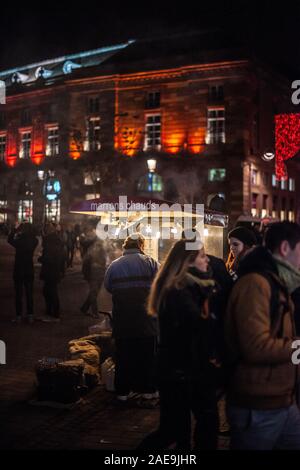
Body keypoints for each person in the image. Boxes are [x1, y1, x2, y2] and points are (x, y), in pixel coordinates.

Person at [225, 221, 300, 450]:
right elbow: (256, 347)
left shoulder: (279, 281)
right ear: (285, 248)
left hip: (283, 401)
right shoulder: (256, 284)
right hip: (257, 407)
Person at [139, 238, 220, 451]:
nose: (207, 260)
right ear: (188, 261)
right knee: (175, 431)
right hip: (180, 371)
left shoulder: (193, 286)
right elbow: (199, 326)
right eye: (203, 256)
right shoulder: (179, 291)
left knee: (189, 427)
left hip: (187, 369)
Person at [104, 233, 159, 406]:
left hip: (123, 320)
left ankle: (122, 393)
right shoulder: (150, 262)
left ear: (125, 247)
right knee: (147, 357)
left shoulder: (114, 266)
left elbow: (108, 286)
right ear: (141, 245)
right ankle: (148, 392)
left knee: (123, 357)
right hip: (146, 320)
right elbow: (161, 284)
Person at [8, 222, 38, 323]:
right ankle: (30, 315)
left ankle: (19, 315)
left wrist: (15, 229)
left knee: (18, 293)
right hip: (29, 268)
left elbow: (10, 239)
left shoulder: (19, 240)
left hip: (19, 268)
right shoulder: (34, 241)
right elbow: (36, 238)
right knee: (29, 293)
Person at [38, 223, 66, 322]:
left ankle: (54, 313)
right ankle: (51, 311)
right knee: (48, 291)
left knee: (50, 291)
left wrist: (41, 259)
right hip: (54, 271)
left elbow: (49, 258)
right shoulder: (56, 241)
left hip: (51, 271)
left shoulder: (51, 242)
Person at [80, 237, 106, 318]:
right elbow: (86, 263)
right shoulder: (91, 251)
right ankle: (95, 312)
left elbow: (104, 262)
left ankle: (84, 308)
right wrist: (86, 275)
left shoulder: (102, 250)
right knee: (93, 293)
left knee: (94, 293)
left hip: (100, 273)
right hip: (94, 274)